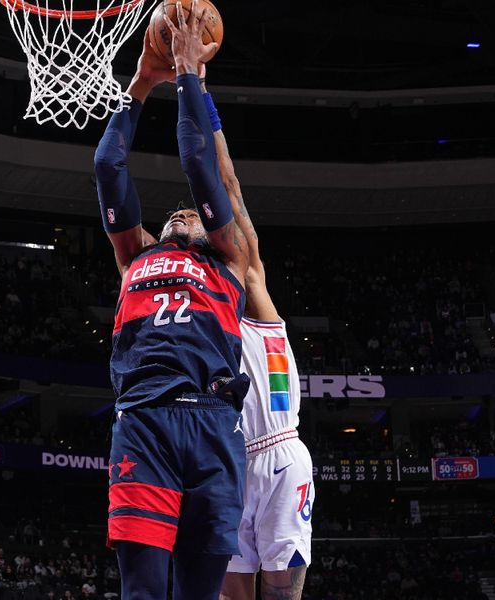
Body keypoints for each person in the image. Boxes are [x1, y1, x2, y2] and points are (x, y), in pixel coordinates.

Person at [94, 2, 250, 599]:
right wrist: (138, 87)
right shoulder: (134, 255)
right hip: (145, 422)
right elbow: (109, 166)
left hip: (213, 423)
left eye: (191, 210)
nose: (183, 210)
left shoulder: (227, 257)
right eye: (174, 212)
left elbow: (197, 163)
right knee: (143, 592)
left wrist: (189, 77)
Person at [209, 71, 314, 600]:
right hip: (226, 463)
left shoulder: (253, 292)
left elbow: (229, 186)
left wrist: (200, 98)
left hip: (278, 454)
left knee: (282, 592)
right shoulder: (198, 313)